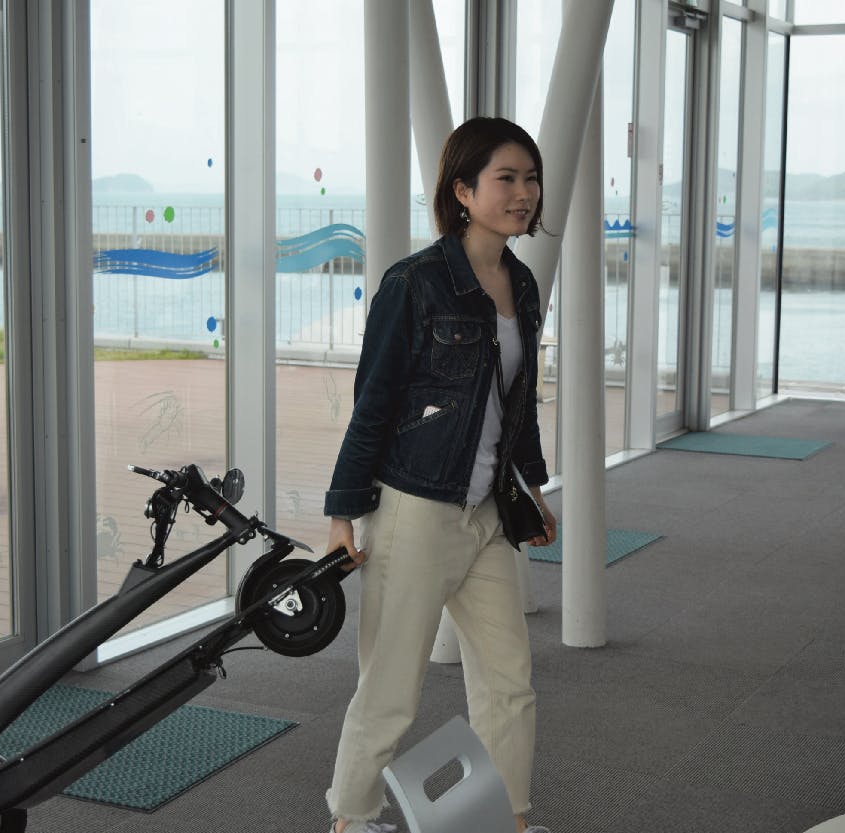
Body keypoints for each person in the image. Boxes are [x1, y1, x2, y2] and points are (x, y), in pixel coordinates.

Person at [322, 116, 558, 833]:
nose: (523, 193)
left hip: (486, 513)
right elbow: (374, 404)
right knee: (390, 689)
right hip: (416, 511)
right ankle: (352, 819)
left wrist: (533, 485)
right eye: (505, 178)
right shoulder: (414, 283)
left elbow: (519, 400)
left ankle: (505, 820)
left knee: (510, 683)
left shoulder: (521, 282)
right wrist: (342, 513)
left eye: (531, 178)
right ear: (462, 191)